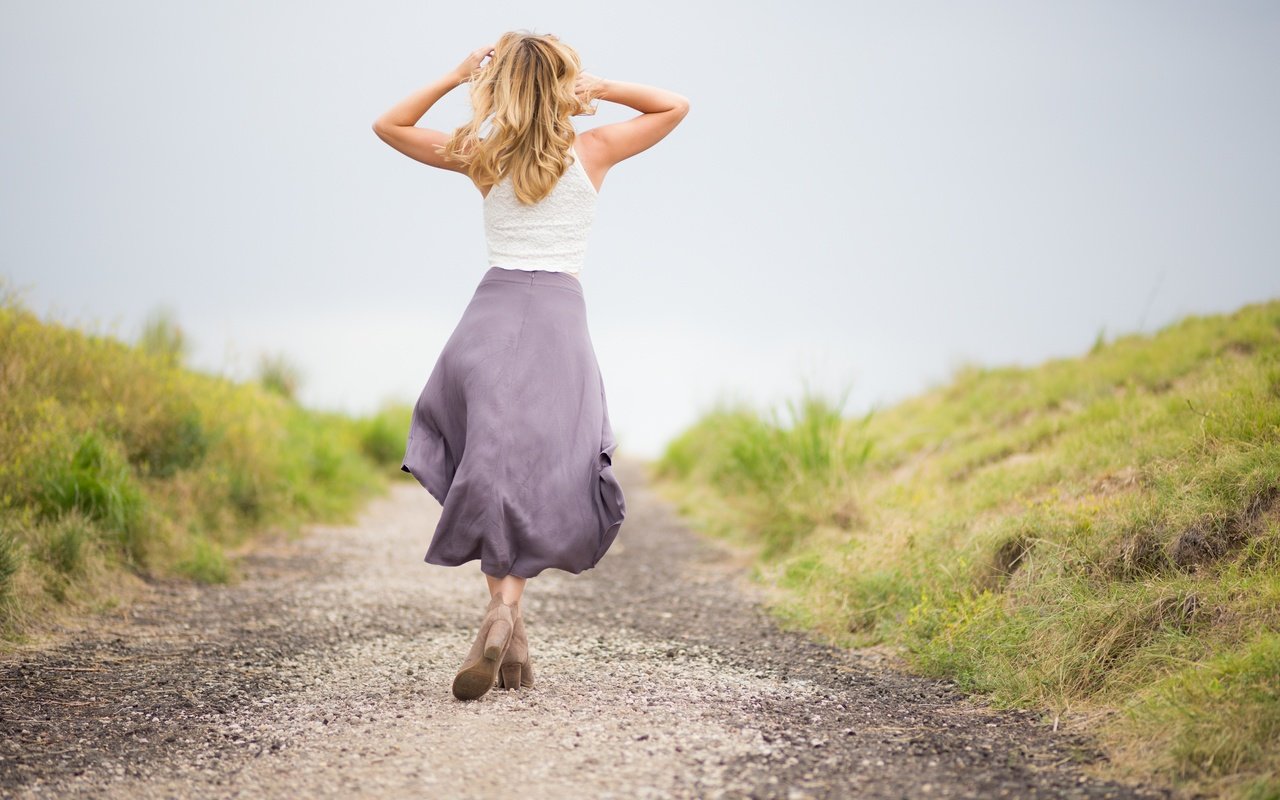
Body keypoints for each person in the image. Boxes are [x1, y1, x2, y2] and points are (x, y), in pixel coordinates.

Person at [372, 31, 690, 700]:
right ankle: (505, 613)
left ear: (503, 89)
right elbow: (673, 106)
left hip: (488, 321)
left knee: (491, 468)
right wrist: (598, 91)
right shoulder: (596, 148)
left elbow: (388, 125)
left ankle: (505, 626)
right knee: (537, 474)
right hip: (557, 323)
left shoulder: (482, 153)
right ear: (563, 84)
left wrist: (455, 75)